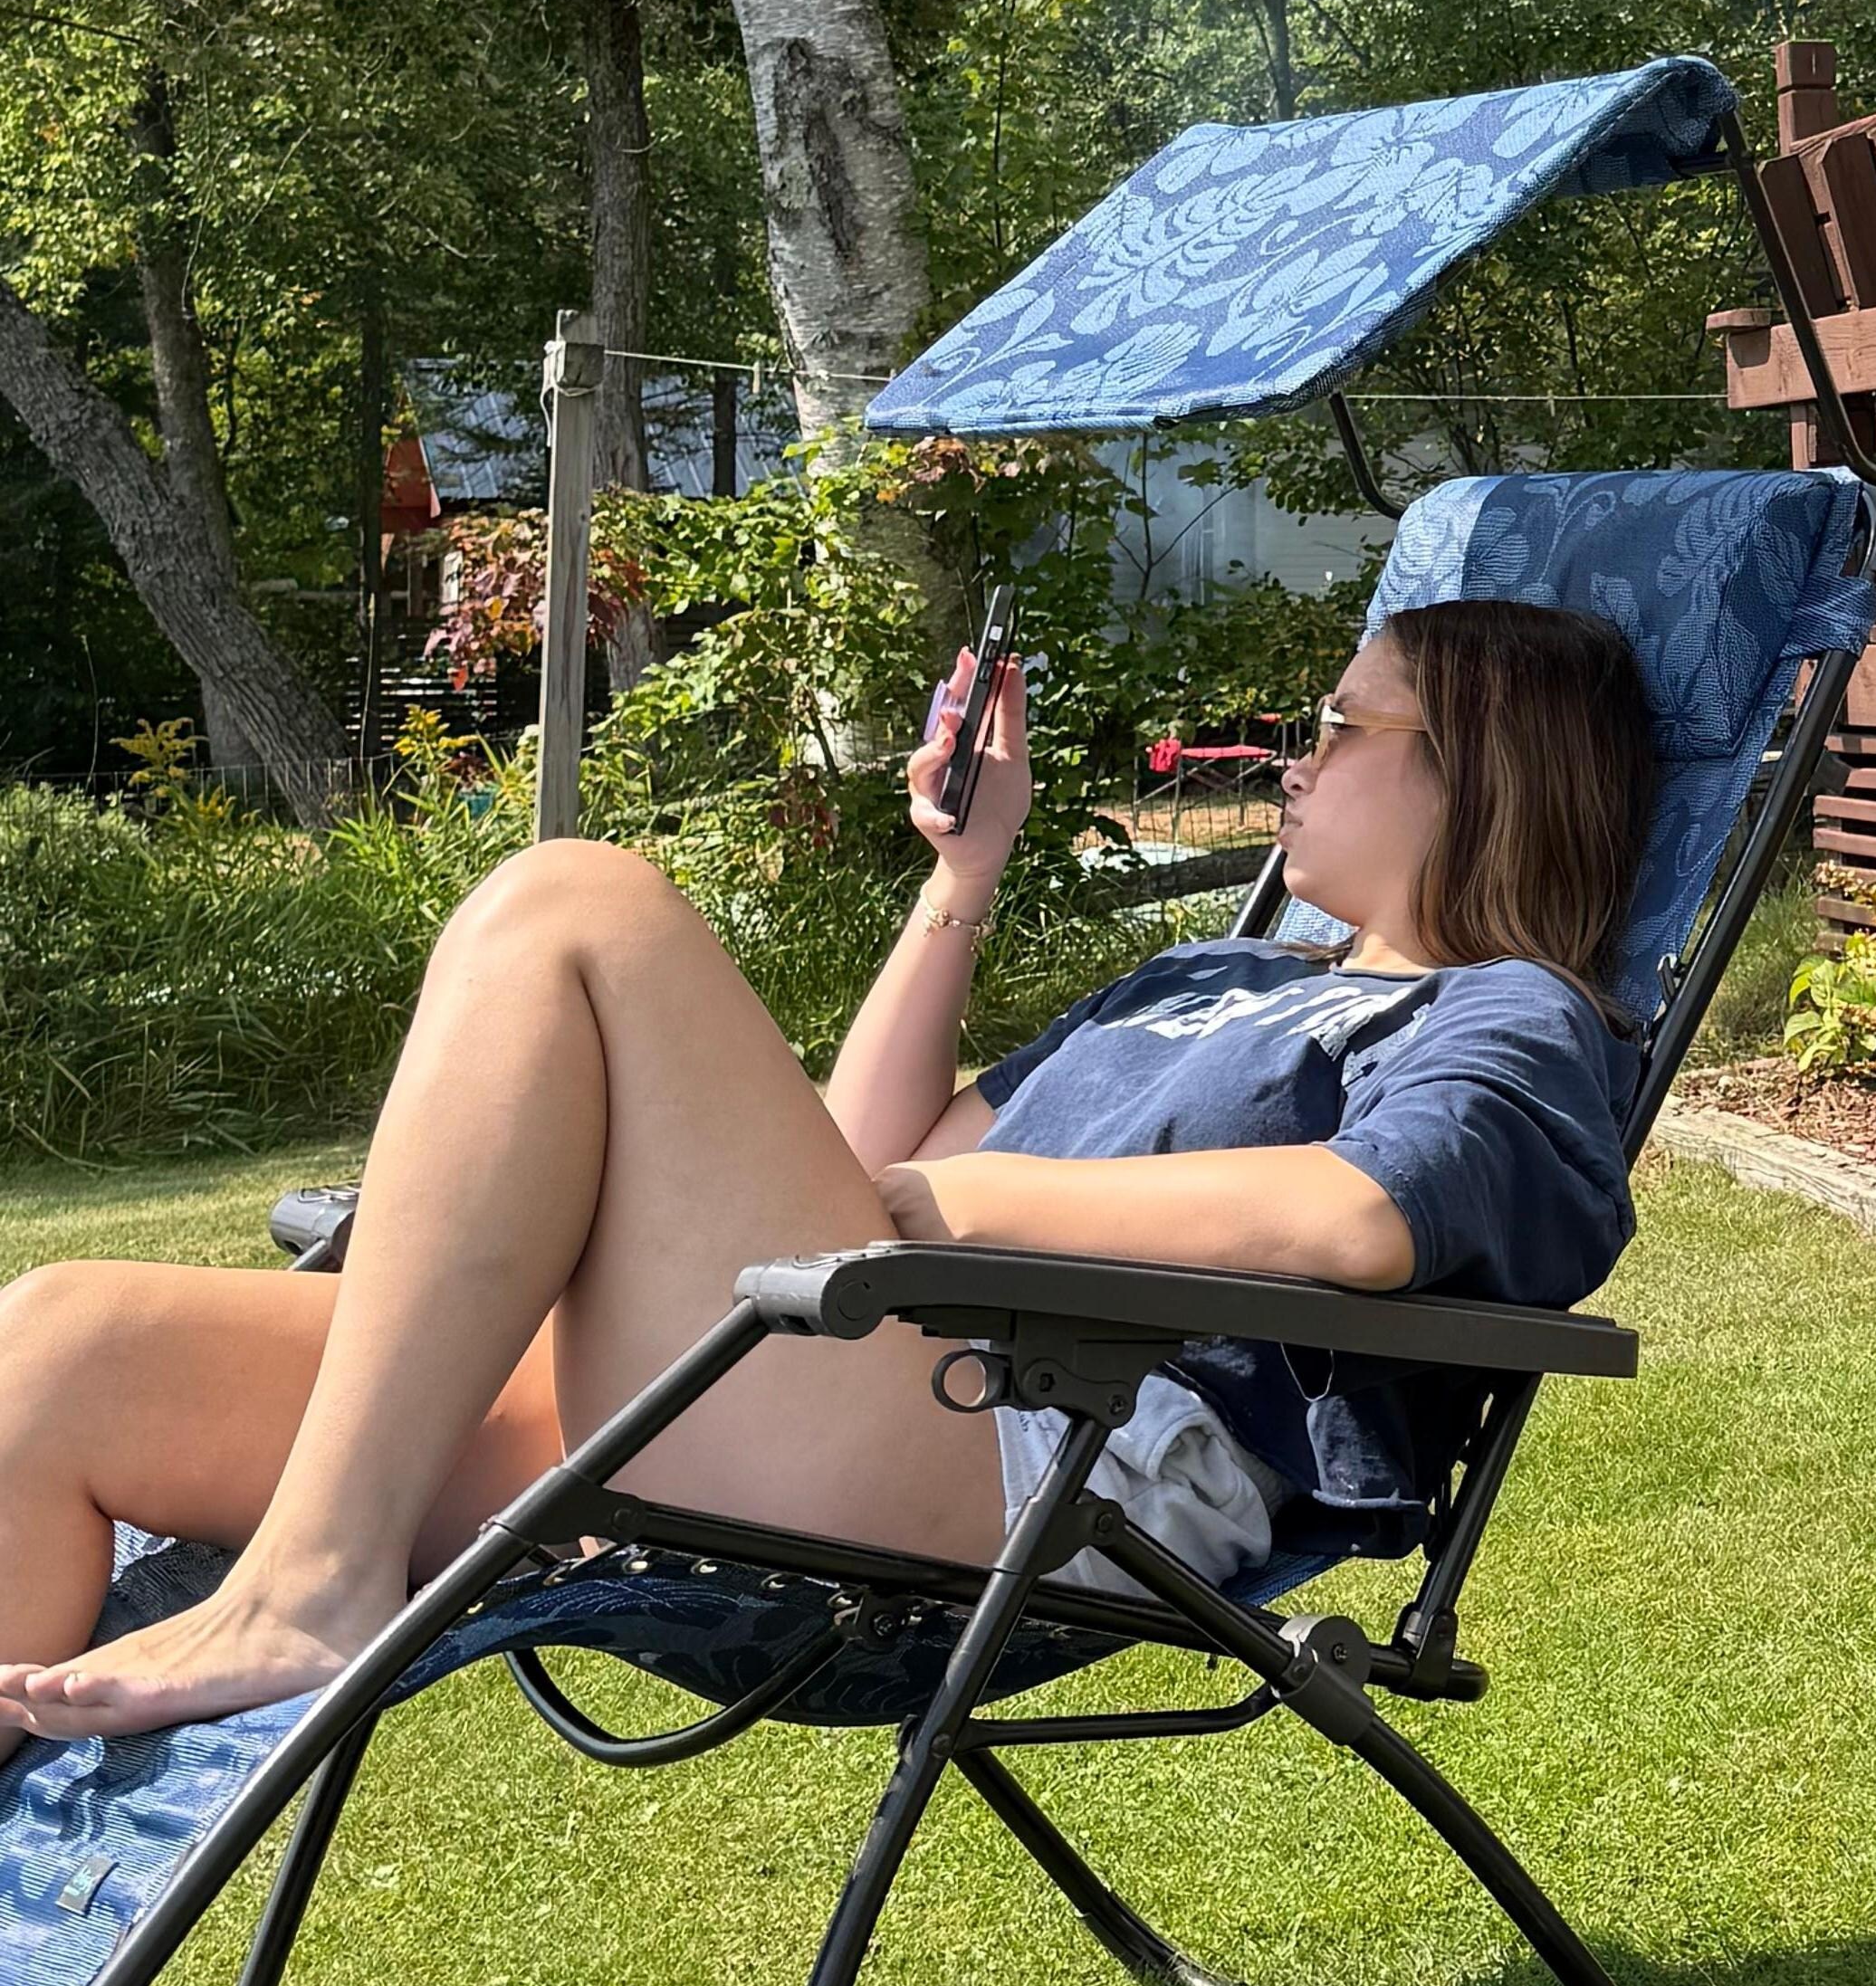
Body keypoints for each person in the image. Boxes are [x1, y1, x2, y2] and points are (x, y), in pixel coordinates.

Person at [0, 598, 1659, 1742]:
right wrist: (967, 868)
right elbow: (872, 1153)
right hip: (840, 1375)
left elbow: (1359, 1216)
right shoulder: (1207, 981)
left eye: (1337, 721)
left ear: (1481, 769)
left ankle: (313, 1577)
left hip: (1025, 1453)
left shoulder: (1506, 1017)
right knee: (61, 1341)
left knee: (569, 905)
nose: (1290, 754)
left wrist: (966, 1211)